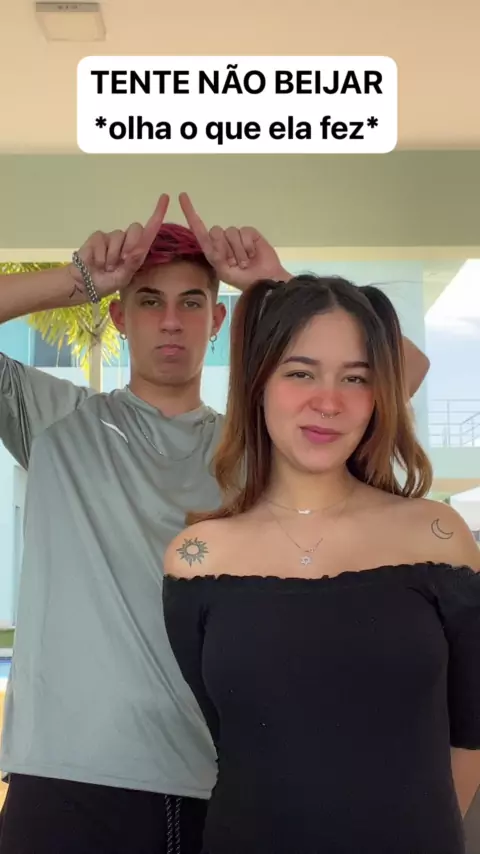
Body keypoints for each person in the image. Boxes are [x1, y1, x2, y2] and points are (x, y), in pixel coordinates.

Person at [0, 192, 429, 854]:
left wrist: (275, 284)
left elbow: (404, 372)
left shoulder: (257, 449)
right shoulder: (56, 423)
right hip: (64, 777)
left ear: (219, 319)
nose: (171, 321)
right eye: (150, 301)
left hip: (214, 780)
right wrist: (78, 280)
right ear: (119, 316)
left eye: (192, 302)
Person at [163, 274, 480, 854]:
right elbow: (228, 736)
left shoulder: (438, 536)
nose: (329, 402)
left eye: (355, 378)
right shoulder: (196, 558)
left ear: (379, 394)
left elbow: (472, 732)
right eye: (300, 373)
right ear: (258, 383)